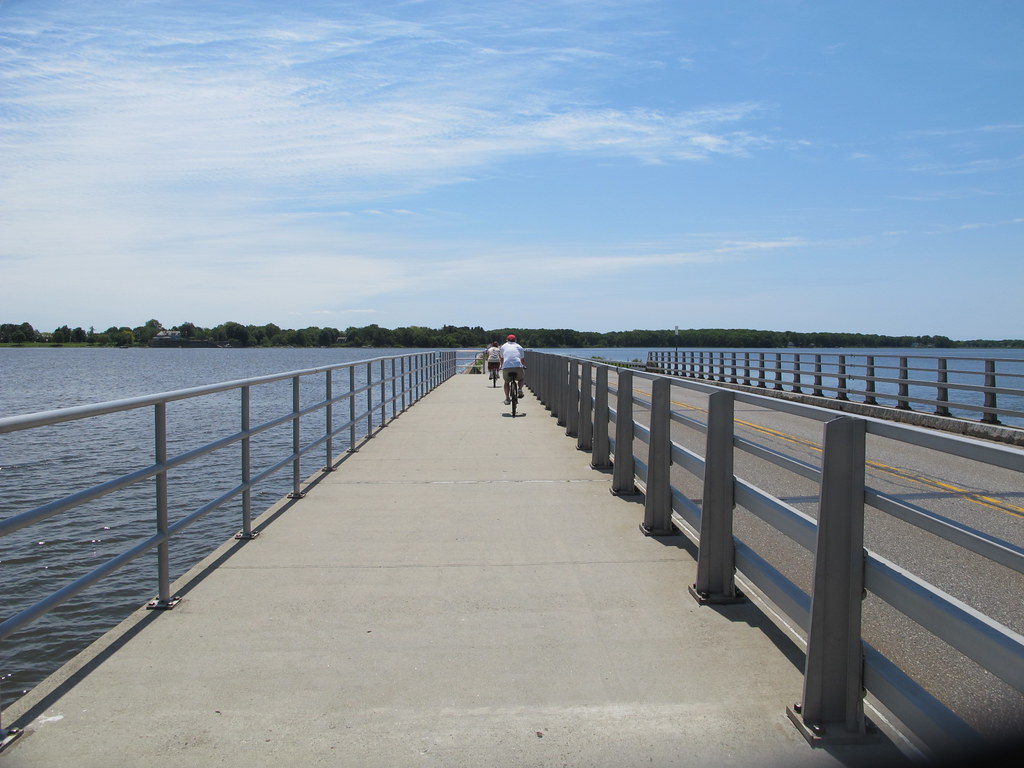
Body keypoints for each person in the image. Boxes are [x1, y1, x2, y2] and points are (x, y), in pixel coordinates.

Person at [499, 334, 526, 404]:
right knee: (521, 378)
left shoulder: (503, 346)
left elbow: (501, 358)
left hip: (506, 367)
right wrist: (523, 365)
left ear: (507, 340)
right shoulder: (519, 347)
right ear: (515, 340)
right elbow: (522, 359)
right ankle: (520, 389)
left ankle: (507, 399)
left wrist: (502, 366)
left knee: (506, 382)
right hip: (517, 366)